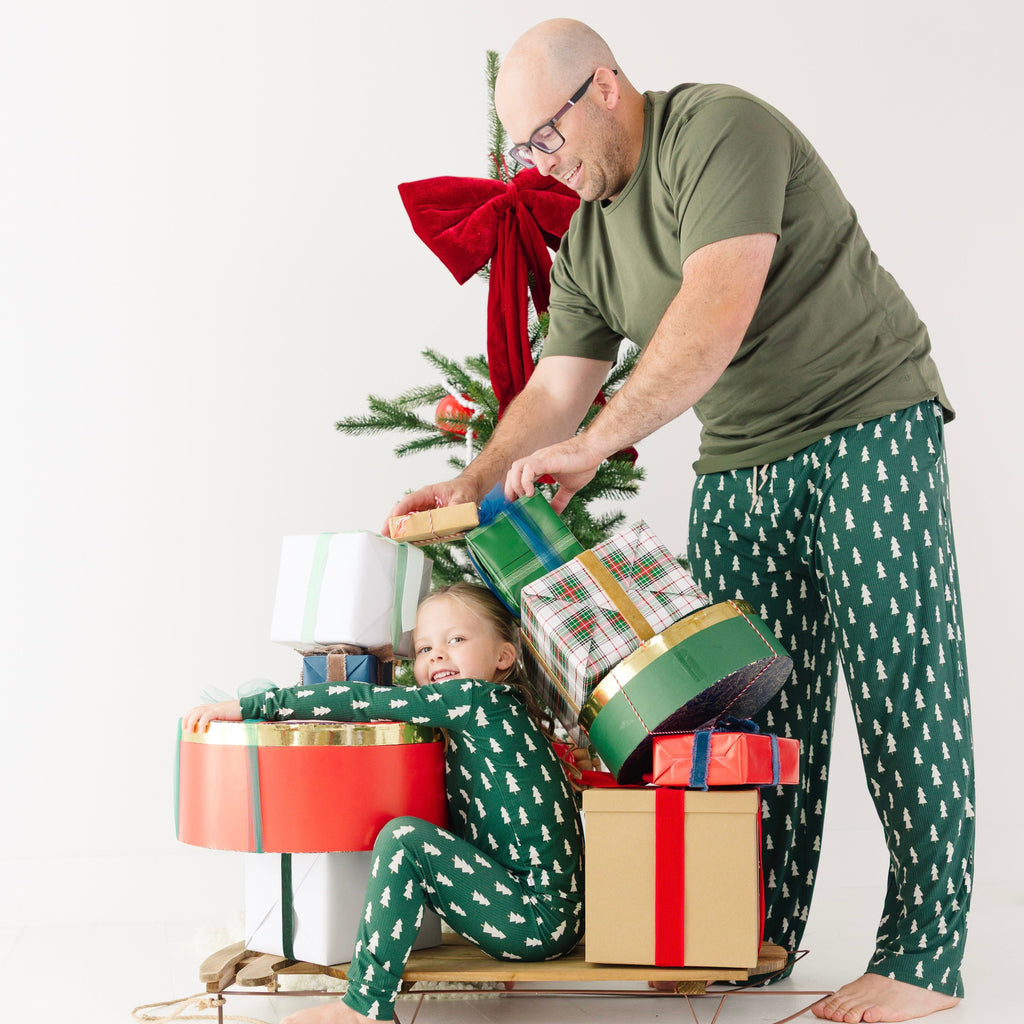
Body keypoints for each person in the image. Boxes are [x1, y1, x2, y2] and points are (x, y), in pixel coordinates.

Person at [385, 18, 974, 1024]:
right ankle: (750, 936)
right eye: (523, 149)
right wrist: (477, 476)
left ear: (605, 88)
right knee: (738, 719)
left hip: (865, 416)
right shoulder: (587, 239)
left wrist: (597, 443)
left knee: (897, 679)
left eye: (547, 137)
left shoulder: (718, 131)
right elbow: (554, 387)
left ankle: (922, 955)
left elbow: (715, 305)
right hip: (740, 458)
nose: (543, 164)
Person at [183, 583, 584, 1024]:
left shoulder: (474, 697)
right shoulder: (499, 712)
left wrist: (256, 705)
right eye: (425, 647)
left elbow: (362, 700)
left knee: (405, 836)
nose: (436, 655)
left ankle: (364, 1007)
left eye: (456, 640)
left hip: (536, 920)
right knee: (415, 832)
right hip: (548, 913)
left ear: (503, 657)